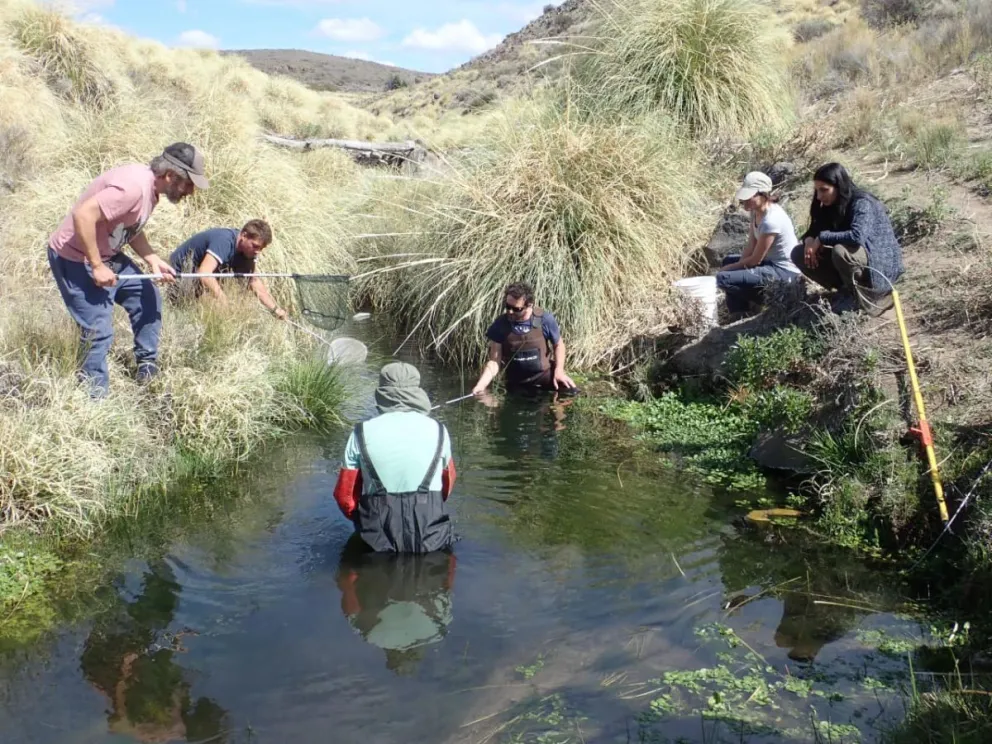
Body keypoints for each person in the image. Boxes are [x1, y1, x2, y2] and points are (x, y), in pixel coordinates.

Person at [47, 142, 208, 396]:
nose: (191, 192)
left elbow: (128, 226)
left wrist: (152, 258)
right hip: (77, 259)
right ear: (170, 176)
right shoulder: (133, 188)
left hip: (108, 254)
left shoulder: (152, 189)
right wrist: (97, 266)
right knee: (97, 331)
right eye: (189, 184)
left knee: (146, 296)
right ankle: (93, 400)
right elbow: (83, 216)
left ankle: (146, 365)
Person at [333, 362, 457, 553]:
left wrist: (364, 519)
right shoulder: (440, 430)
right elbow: (447, 484)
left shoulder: (360, 432)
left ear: (381, 393)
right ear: (417, 392)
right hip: (432, 538)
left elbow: (345, 496)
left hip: (376, 539)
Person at [790, 162, 905, 315]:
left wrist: (822, 238)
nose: (819, 196)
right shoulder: (829, 205)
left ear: (838, 186)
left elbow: (857, 236)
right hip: (858, 258)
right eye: (817, 190)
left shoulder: (862, 202)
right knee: (799, 253)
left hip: (879, 261)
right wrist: (810, 241)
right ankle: (846, 290)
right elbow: (814, 230)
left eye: (824, 190)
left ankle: (864, 297)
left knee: (840, 251)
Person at [335, 533, 456, 675]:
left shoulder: (439, 629)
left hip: (424, 549)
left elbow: (449, 575)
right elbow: (348, 585)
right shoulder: (370, 635)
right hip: (383, 551)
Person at [716, 171, 801, 318]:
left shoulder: (771, 220)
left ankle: (767, 301)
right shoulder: (756, 212)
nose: (745, 201)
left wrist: (729, 270)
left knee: (723, 278)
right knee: (728, 261)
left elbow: (756, 260)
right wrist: (734, 266)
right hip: (770, 263)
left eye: (751, 196)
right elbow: (751, 246)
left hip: (784, 271)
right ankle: (739, 312)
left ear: (763, 194)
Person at [471, 282, 577, 396]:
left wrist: (559, 371)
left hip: (544, 376)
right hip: (516, 382)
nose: (510, 312)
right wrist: (480, 386)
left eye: (516, 309)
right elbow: (494, 361)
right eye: (508, 307)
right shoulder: (501, 324)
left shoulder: (545, 320)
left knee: (571, 392)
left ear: (529, 305)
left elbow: (559, 345)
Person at [168, 220, 287, 319]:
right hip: (175, 278)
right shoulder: (224, 240)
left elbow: (253, 282)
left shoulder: (248, 252)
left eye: (261, 248)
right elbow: (204, 273)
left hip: (195, 285)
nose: (258, 252)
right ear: (244, 236)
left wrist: (275, 309)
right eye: (255, 246)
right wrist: (223, 300)